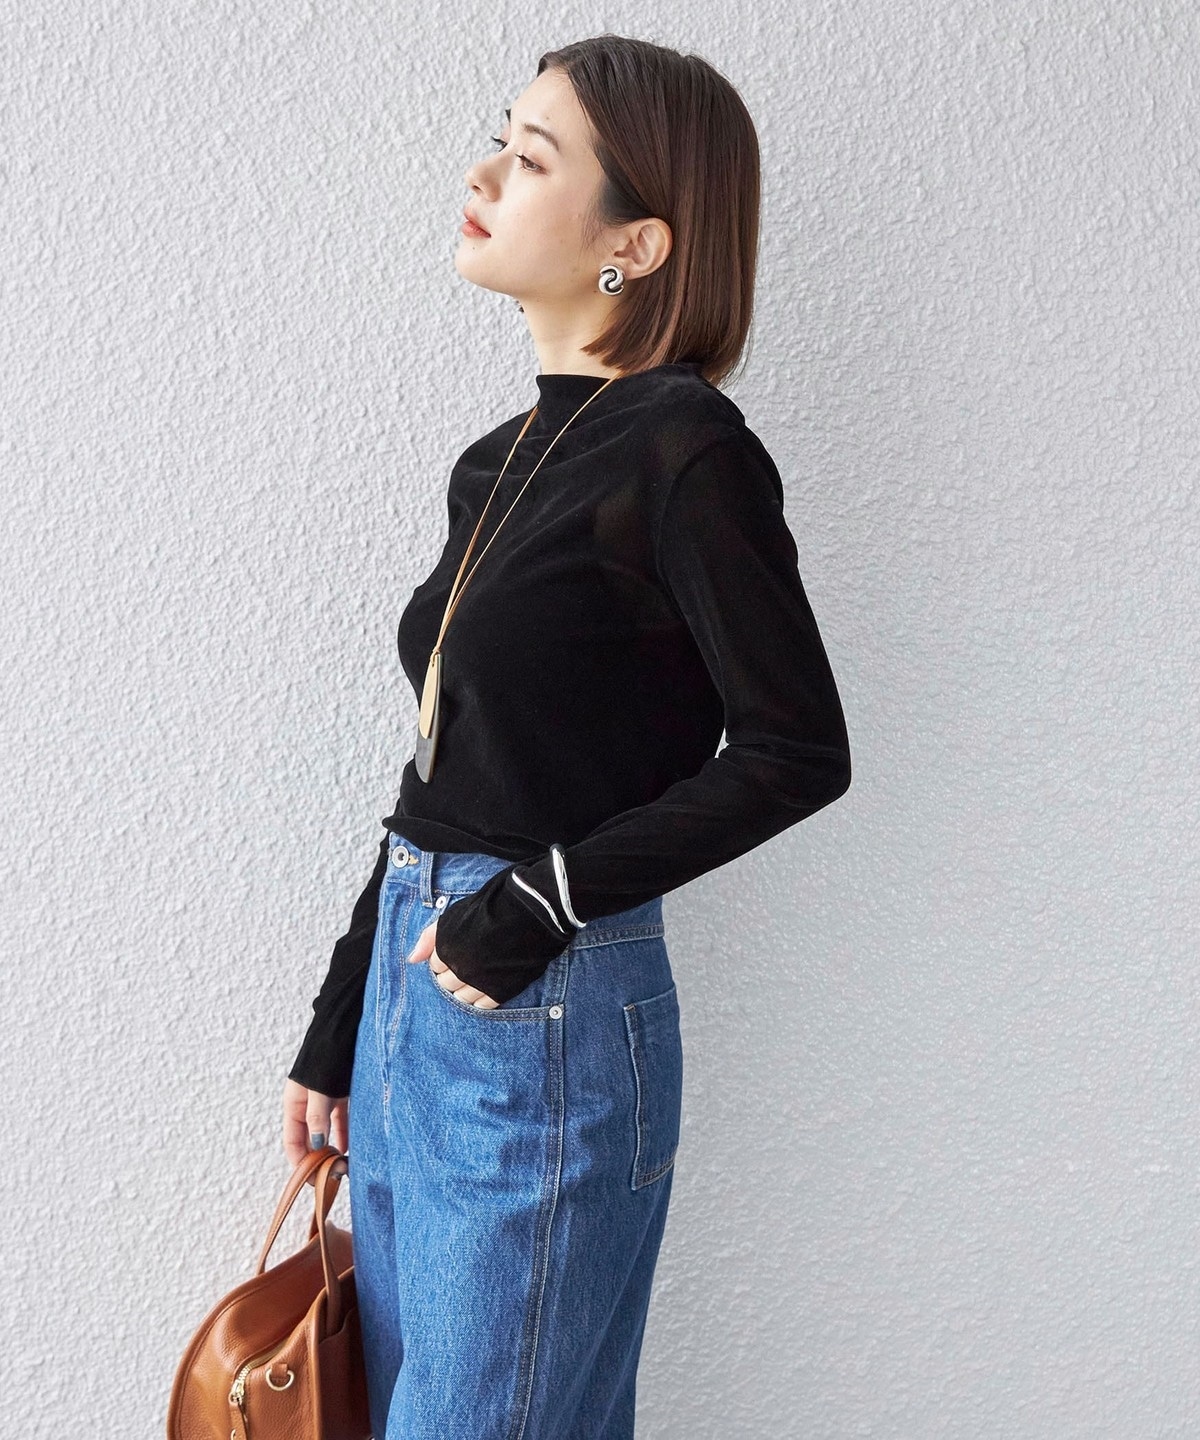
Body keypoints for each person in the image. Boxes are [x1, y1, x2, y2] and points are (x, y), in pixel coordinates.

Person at [281, 34, 851, 1440]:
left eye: (532, 160)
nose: (484, 176)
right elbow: (445, 772)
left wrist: (535, 906)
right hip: (418, 1002)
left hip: (539, 1003)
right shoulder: (496, 461)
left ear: (636, 245)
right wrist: (340, 1026)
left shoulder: (684, 447)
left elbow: (796, 749)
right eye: (502, 140)